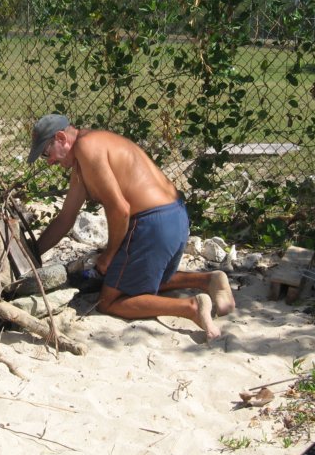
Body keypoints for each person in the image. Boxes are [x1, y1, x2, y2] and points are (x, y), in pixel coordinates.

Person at [27, 114, 235, 341]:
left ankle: (192, 308)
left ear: (61, 137)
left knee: (109, 301)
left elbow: (120, 210)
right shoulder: (85, 156)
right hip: (176, 217)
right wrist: (31, 253)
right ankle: (208, 280)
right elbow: (65, 219)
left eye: (47, 153)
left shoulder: (87, 148)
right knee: (134, 279)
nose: (48, 161)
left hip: (152, 224)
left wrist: (109, 255)